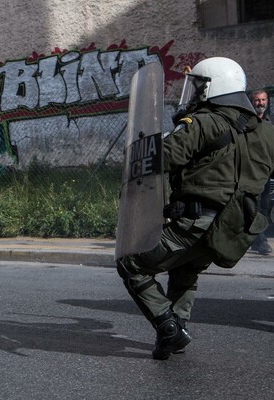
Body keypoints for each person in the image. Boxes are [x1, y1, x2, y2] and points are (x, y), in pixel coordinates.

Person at [116, 57, 274, 360]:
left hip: (195, 222)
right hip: (231, 229)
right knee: (185, 272)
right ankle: (172, 334)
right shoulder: (267, 132)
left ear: (213, 87)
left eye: (198, 86)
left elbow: (162, 158)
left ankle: (168, 326)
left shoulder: (203, 122)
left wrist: (146, 144)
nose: (195, 93)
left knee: (131, 263)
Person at [249, 89, 273, 255]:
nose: (261, 103)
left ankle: (256, 240)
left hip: (265, 171)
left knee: (263, 207)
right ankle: (260, 240)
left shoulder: (269, 122)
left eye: (263, 100)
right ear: (252, 102)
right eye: (257, 100)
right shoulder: (246, 122)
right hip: (250, 171)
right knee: (253, 206)